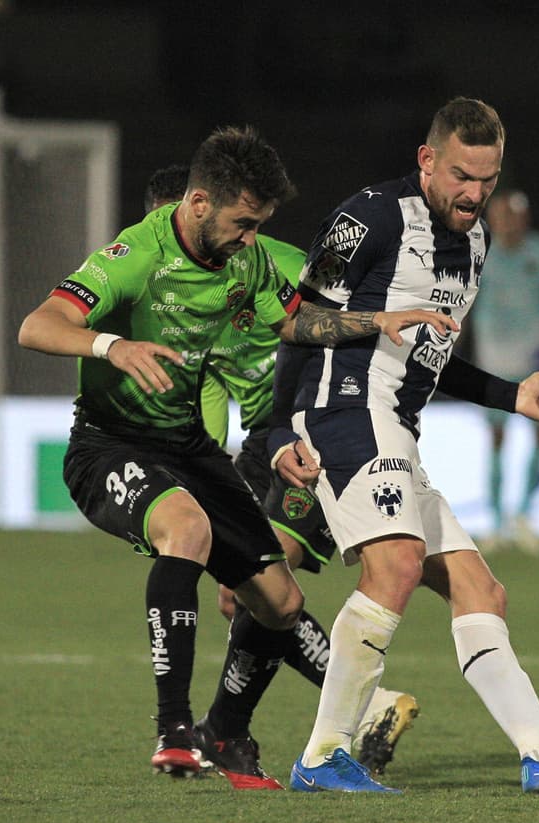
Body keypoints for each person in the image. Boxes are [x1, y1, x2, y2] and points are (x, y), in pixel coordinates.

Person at [18, 127, 456, 789]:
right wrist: (114, 347)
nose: (252, 238)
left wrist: (376, 322)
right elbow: (37, 325)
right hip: (109, 445)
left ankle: (226, 732)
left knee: (279, 602)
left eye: (259, 226)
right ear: (197, 204)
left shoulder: (244, 261)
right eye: (243, 223)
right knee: (186, 531)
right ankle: (175, 733)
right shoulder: (137, 253)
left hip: (189, 448)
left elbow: (293, 323)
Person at [274, 97, 539, 795]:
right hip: (342, 409)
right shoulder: (370, 217)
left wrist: (513, 396)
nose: (475, 194)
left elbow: (429, 361)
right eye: (463, 176)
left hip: (396, 428)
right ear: (428, 160)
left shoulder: (475, 244)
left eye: (489, 179)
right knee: (398, 563)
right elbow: (295, 320)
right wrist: (279, 432)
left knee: (481, 588)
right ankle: (321, 757)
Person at [138, 165, 420, 776]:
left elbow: (346, 322)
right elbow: (205, 405)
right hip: (265, 448)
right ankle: (233, 728)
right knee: (239, 596)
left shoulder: (284, 266)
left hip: (319, 437)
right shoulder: (178, 300)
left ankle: (360, 706)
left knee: (266, 581)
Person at [469, 188, 539, 555]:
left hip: (535, 364)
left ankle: (525, 514)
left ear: (524, 219)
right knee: (497, 437)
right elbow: (464, 303)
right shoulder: (480, 251)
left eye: (512, 217)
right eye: (500, 217)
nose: (506, 224)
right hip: (493, 363)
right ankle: (497, 522)